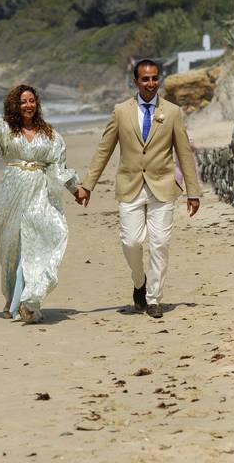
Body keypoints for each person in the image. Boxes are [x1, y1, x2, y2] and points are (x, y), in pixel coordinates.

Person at [75, 59, 201, 319]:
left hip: (163, 187)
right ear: (136, 81)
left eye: (155, 78)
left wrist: (193, 191)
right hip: (130, 186)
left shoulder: (172, 112)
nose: (151, 83)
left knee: (160, 243)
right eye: (145, 79)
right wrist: (88, 185)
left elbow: (184, 153)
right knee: (131, 241)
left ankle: (154, 299)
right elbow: (104, 150)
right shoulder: (121, 111)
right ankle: (139, 282)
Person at [0, 63, 81, 324]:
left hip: (40, 192)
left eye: (31, 101)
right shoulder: (6, 128)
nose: (28, 105)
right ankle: (11, 298)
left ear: (37, 104)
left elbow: (58, 166)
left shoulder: (50, 134)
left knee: (35, 243)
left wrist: (75, 189)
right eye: (22, 102)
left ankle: (25, 300)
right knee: (11, 248)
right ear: (14, 106)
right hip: (12, 191)